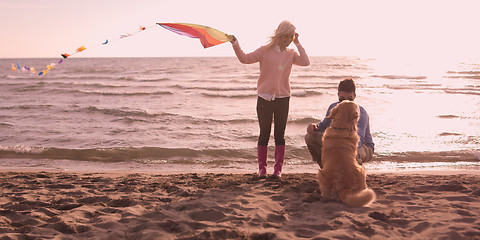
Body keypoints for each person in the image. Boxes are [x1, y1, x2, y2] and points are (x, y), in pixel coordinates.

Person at [231, 20, 310, 178]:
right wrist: (235, 44)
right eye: (288, 36)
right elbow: (245, 59)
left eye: (292, 37)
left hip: (283, 98)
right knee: (264, 134)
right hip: (264, 99)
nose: (289, 39)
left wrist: (298, 43)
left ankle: (278, 170)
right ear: (281, 35)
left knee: (280, 135)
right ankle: (262, 169)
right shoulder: (265, 51)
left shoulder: (291, 54)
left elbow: (306, 62)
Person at [305, 78, 374, 168]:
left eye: (349, 100)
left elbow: (358, 141)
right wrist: (314, 127)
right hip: (339, 142)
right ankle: (325, 169)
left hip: (363, 147)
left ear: (355, 96)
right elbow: (322, 127)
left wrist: (337, 145)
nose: (345, 103)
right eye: (342, 99)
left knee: (349, 153)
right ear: (338, 95)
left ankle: (356, 170)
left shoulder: (360, 112)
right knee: (310, 137)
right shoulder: (334, 107)